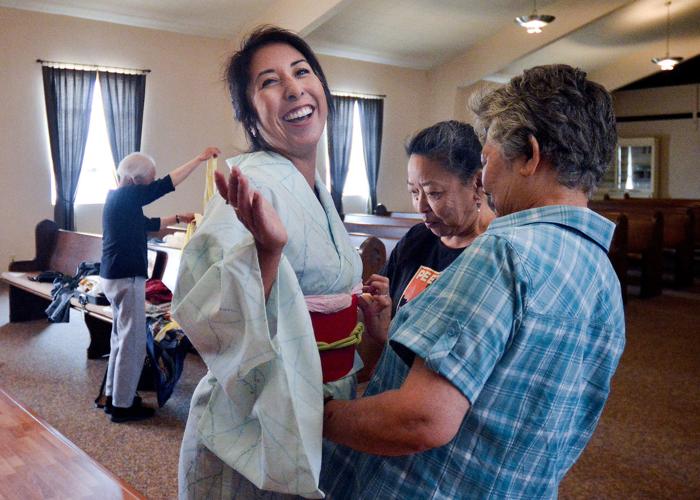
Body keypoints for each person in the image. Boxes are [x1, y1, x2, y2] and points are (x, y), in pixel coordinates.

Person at [316, 64, 626, 498]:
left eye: (486, 160)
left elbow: (421, 419)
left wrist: (320, 416)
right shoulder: (603, 275)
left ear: (530, 155)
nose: (485, 179)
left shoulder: (504, 253)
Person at [171, 27, 362, 498]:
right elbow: (206, 312)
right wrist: (266, 252)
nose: (295, 88)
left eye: (302, 71)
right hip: (261, 414)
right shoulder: (250, 182)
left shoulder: (317, 186)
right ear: (250, 115)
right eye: (269, 82)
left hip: (325, 399)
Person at [358, 120, 495, 379]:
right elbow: (394, 344)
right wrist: (383, 325)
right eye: (414, 191)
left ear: (477, 183)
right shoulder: (418, 239)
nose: (420, 206)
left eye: (434, 193)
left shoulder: (493, 253)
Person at [100, 147, 220, 423]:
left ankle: (114, 397)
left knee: (120, 339)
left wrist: (178, 218)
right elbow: (167, 184)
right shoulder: (129, 195)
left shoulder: (117, 199)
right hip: (126, 277)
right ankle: (122, 406)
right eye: (148, 181)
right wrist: (198, 159)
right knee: (132, 344)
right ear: (133, 181)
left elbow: (149, 225)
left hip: (113, 276)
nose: (151, 185)